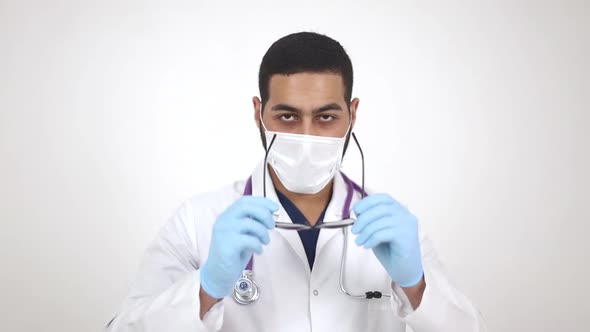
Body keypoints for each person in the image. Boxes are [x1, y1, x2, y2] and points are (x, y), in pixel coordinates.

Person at [107, 31, 486, 332]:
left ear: (352, 114)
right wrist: (205, 290)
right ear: (259, 113)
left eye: (326, 117)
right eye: (287, 117)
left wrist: (417, 287)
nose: (307, 137)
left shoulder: (394, 227)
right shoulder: (198, 222)